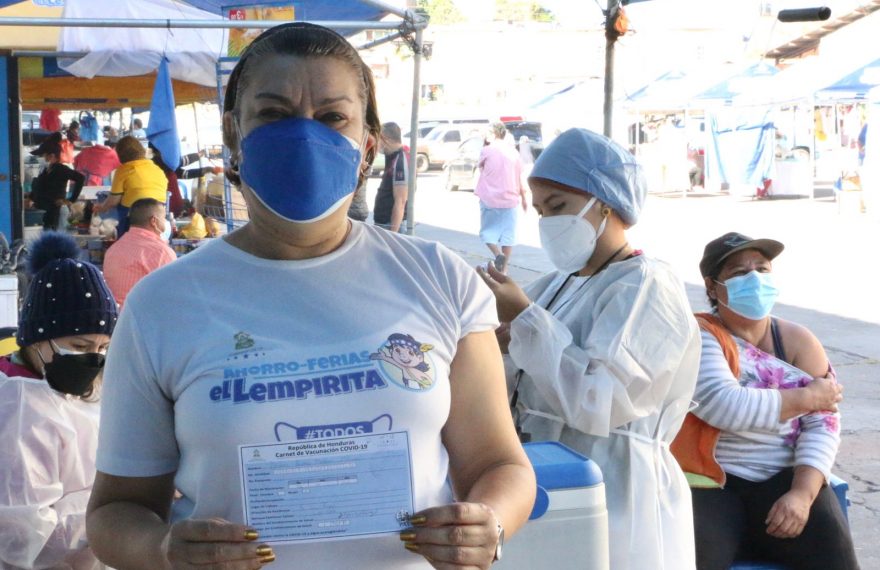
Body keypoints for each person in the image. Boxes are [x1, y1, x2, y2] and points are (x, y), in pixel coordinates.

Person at [86, 22, 535, 570]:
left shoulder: (440, 278)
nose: (302, 137)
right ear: (233, 134)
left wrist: (489, 523)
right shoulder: (162, 304)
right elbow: (116, 511)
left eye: (331, 118)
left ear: (366, 145)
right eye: (273, 114)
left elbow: (500, 465)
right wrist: (160, 550)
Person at [477, 128, 702, 570]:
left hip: (620, 484)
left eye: (559, 206)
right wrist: (499, 343)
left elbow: (601, 401)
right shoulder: (557, 284)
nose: (548, 222)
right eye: (540, 211)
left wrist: (525, 320)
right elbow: (526, 375)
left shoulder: (646, 285)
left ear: (605, 202)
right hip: (554, 477)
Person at [672, 232, 859, 570]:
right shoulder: (701, 335)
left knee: (831, 546)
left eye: (762, 269)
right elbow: (725, 406)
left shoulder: (798, 340)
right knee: (695, 554)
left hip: (784, 476)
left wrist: (802, 494)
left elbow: (823, 423)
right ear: (712, 287)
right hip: (714, 481)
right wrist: (806, 397)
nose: (754, 279)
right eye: (739, 272)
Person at [0, 232, 118, 569]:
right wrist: (117, 503)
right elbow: (21, 539)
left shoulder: (68, 388)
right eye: (80, 346)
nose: (94, 358)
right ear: (37, 339)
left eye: (103, 347)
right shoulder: (21, 409)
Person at [102, 198, 176, 308]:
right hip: (144, 315)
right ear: (154, 221)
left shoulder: (113, 249)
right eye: (164, 217)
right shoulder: (161, 252)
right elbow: (173, 293)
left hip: (116, 313)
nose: (166, 222)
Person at [474, 122, 527, 274]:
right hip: (511, 199)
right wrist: (523, 198)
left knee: (487, 232)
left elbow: (480, 168)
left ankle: (498, 255)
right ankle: (504, 269)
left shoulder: (487, 150)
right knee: (508, 235)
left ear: (492, 134)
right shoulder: (514, 152)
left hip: (489, 198)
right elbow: (518, 176)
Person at [92, 135, 167, 238]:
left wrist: (101, 207)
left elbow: (113, 201)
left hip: (132, 217)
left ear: (120, 155)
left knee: (127, 241)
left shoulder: (123, 170)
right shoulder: (157, 169)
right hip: (159, 215)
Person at [149, 143, 224, 217]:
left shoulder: (160, 164)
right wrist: (202, 155)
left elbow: (185, 173)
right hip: (168, 208)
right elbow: (184, 162)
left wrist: (209, 168)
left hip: (167, 208)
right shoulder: (162, 162)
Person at [28, 136, 85, 230]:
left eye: (42, 155)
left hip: (56, 213)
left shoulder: (61, 169)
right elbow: (40, 188)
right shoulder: (44, 171)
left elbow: (80, 178)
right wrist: (30, 198)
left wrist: (71, 200)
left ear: (51, 156)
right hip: (43, 212)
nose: (40, 158)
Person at [372, 121, 409, 232]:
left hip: (390, 225)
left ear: (386, 139)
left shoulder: (400, 161)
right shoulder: (391, 157)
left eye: (378, 139)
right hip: (384, 223)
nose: (376, 143)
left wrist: (393, 235)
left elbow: (400, 201)